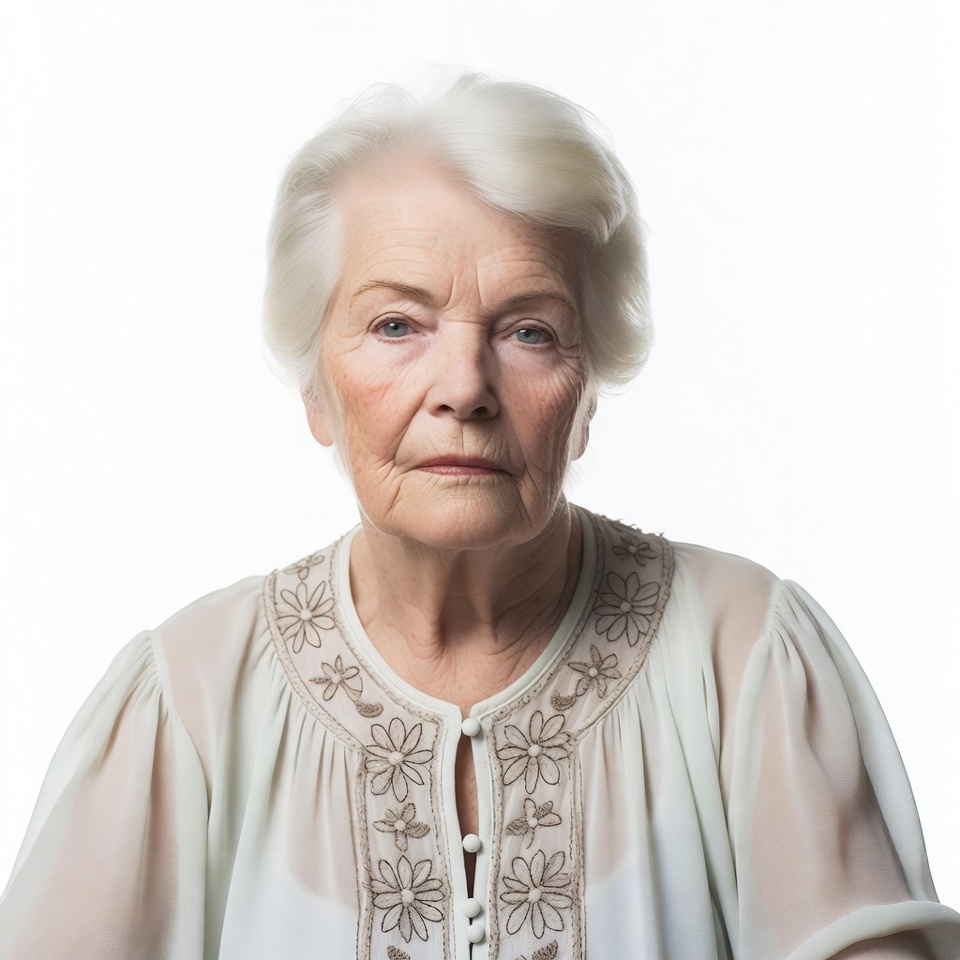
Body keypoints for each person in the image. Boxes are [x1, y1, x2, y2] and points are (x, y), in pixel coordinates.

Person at [0, 72, 957, 960]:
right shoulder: (187, 702)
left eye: (527, 330)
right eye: (396, 325)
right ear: (315, 390)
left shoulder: (746, 657)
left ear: (587, 394)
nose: (464, 388)